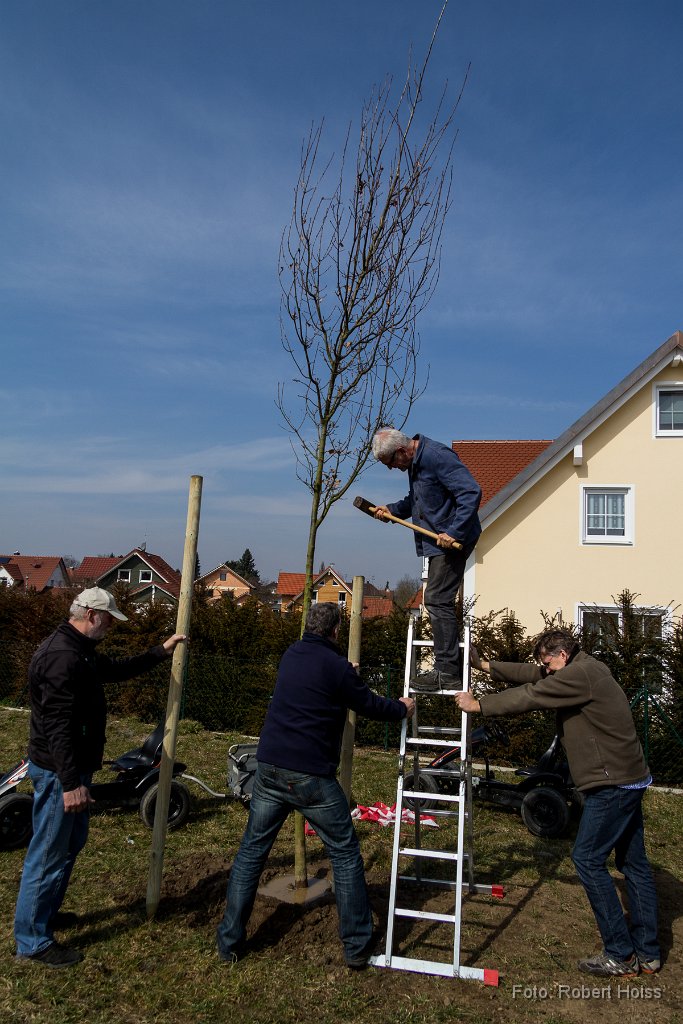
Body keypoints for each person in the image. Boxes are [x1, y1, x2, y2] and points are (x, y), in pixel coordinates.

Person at [216, 602, 415, 969]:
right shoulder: (336, 668)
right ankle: (357, 946)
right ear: (336, 631)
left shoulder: (291, 654)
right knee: (344, 852)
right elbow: (369, 704)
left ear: (309, 626)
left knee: (251, 852)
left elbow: (319, 683)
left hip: (269, 768)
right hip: (310, 777)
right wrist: (402, 708)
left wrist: (345, 674)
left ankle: (229, 942)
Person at [455, 628, 660, 979]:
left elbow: (533, 694)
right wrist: (485, 665)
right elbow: (533, 674)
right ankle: (647, 952)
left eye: (548, 662)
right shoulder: (584, 667)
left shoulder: (579, 676)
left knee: (587, 859)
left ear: (563, 655)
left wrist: (480, 705)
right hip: (629, 778)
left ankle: (621, 955)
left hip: (611, 784)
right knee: (633, 863)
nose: (545, 669)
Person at [14, 587, 187, 968]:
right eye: (108, 619)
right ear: (91, 615)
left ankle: (45, 914)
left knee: (69, 844)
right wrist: (70, 784)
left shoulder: (80, 649)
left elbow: (114, 670)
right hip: (61, 772)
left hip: (74, 768)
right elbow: (56, 727)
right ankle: (32, 940)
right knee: (48, 852)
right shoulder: (62, 657)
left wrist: (160, 652)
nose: (111, 626)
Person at [372, 427, 482, 692]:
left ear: (401, 451)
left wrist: (454, 532)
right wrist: (393, 510)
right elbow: (418, 499)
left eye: (390, 463)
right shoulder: (415, 463)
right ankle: (449, 666)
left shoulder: (436, 456)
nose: (392, 469)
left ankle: (447, 672)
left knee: (436, 599)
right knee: (435, 599)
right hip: (437, 542)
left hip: (452, 541)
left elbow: (470, 492)